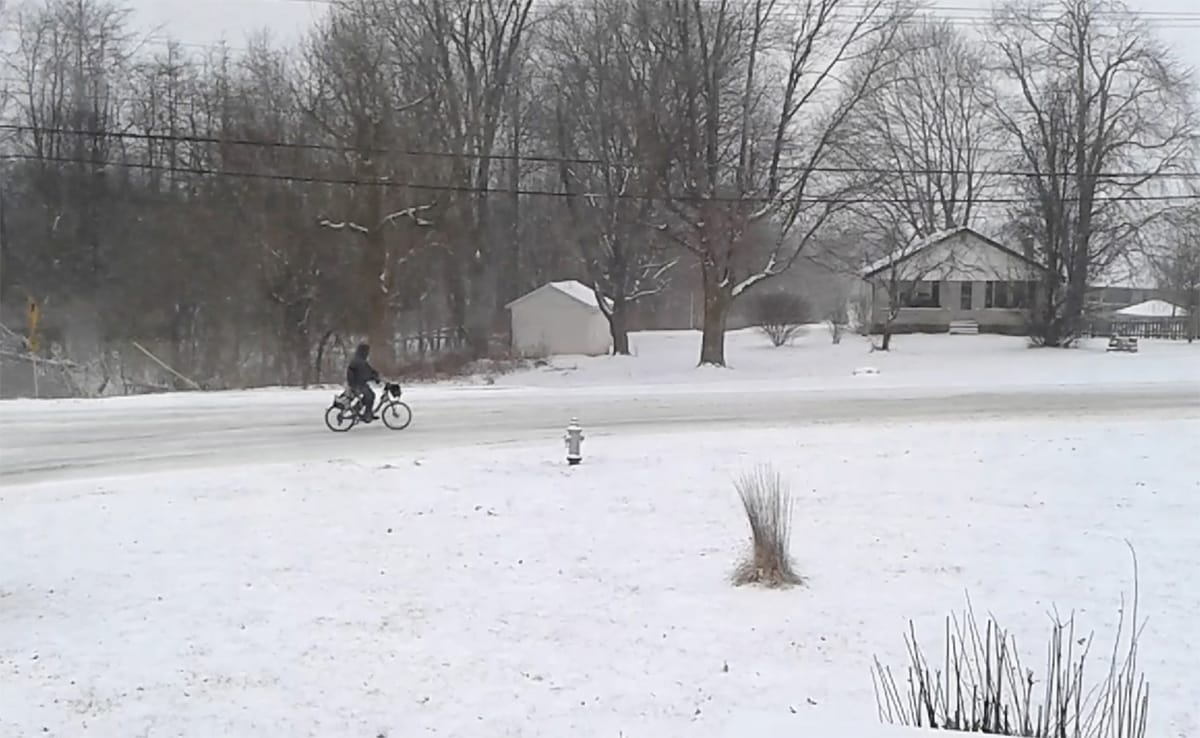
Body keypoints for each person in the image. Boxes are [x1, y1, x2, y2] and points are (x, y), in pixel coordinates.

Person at [346, 342, 380, 422]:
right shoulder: (359, 361)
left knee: (370, 395)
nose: (368, 353)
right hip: (356, 384)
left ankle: (358, 409)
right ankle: (367, 414)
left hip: (358, 383)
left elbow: (369, 370)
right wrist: (374, 378)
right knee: (370, 396)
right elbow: (365, 374)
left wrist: (375, 374)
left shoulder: (360, 360)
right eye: (367, 351)